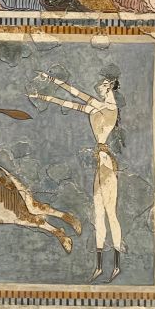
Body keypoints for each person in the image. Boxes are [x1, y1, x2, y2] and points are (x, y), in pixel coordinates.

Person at [29, 65, 125, 282]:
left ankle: (116, 265)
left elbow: (77, 95)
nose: (99, 86)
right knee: (98, 213)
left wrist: (51, 81)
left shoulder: (109, 108)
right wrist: (44, 94)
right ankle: (99, 266)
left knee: (110, 213)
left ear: (110, 85)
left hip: (107, 164)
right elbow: (71, 103)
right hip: (100, 162)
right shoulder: (98, 107)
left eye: (103, 83)